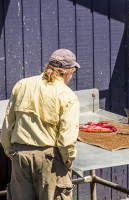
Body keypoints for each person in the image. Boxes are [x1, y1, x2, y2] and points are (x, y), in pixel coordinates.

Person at [1, 49, 80, 200]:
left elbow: (7, 127)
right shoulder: (67, 95)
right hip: (50, 160)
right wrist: (68, 160)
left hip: (20, 156)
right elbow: (66, 140)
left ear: (48, 66)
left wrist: (12, 153)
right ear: (69, 72)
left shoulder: (22, 85)